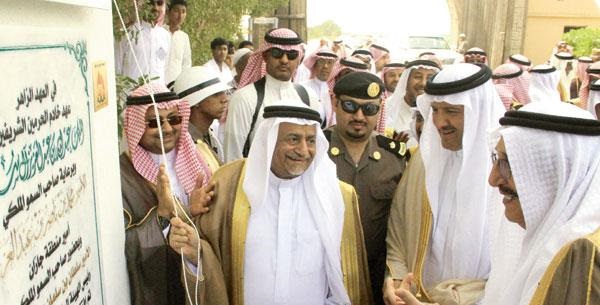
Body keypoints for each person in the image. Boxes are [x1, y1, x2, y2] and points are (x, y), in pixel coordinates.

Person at [393, 101, 600, 305]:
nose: (493, 180)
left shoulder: (585, 256)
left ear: (555, 172)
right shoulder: (538, 235)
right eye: (496, 160)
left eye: (509, 164)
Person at [169, 100, 373, 305]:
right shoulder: (228, 184)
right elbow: (209, 255)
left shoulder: (337, 196)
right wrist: (195, 250)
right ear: (270, 140)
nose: (304, 150)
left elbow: (347, 280)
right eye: (293, 139)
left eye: (311, 140)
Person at [384, 63, 506, 305]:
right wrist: (396, 281)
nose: (440, 122)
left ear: (477, 112)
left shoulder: (505, 171)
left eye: (451, 111)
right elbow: (398, 231)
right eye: (436, 110)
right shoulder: (423, 160)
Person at [120, 82, 215, 305]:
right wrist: (161, 219)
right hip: (159, 289)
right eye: (154, 122)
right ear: (135, 127)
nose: (167, 129)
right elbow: (120, 247)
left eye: (173, 119)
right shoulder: (122, 177)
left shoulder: (200, 159)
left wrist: (194, 212)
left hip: (200, 280)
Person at [326, 72, 408, 305]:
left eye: (369, 109)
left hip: (377, 276)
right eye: (350, 106)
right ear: (335, 103)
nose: (359, 116)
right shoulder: (315, 152)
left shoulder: (394, 157)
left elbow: (401, 223)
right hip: (326, 273)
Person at [223, 28, 321, 162]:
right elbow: (233, 158)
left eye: (291, 54)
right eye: (277, 53)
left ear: (298, 59)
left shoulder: (308, 97)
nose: (284, 60)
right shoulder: (245, 98)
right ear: (265, 56)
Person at [173, 66, 231, 165]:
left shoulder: (208, 134)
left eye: (223, 93)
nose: (225, 99)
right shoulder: (184, 145)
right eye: (216, 94)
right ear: (196, 101)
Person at [384, 60, 441, 147]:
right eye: (418, 77)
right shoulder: (387, 106)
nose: (423, 83)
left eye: (429, 78)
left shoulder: (440, 110)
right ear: (406, 81)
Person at [115, 0, 171, 84]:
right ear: (142, 5)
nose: (155, 8)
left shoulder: (165, 36)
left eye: (159, 3)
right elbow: (116, 68)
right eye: (150, 3)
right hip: (131, 95)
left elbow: (164, 68)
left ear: (165, 6)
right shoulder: (126, 34)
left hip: (157, 95)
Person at [300, 48, 338, 127]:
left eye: (330, 63)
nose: (325, 66)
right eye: (321, 62)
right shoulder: (303, 87)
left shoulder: (333, 92)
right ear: (314, 64)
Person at [164, 0, 192, 85]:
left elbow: (186, 64)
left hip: (175, 85)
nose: (180, 16)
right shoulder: (159, 32)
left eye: (183, 12)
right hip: (157, 83)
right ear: (168, 12)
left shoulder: (184, 37)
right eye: (176, 11)